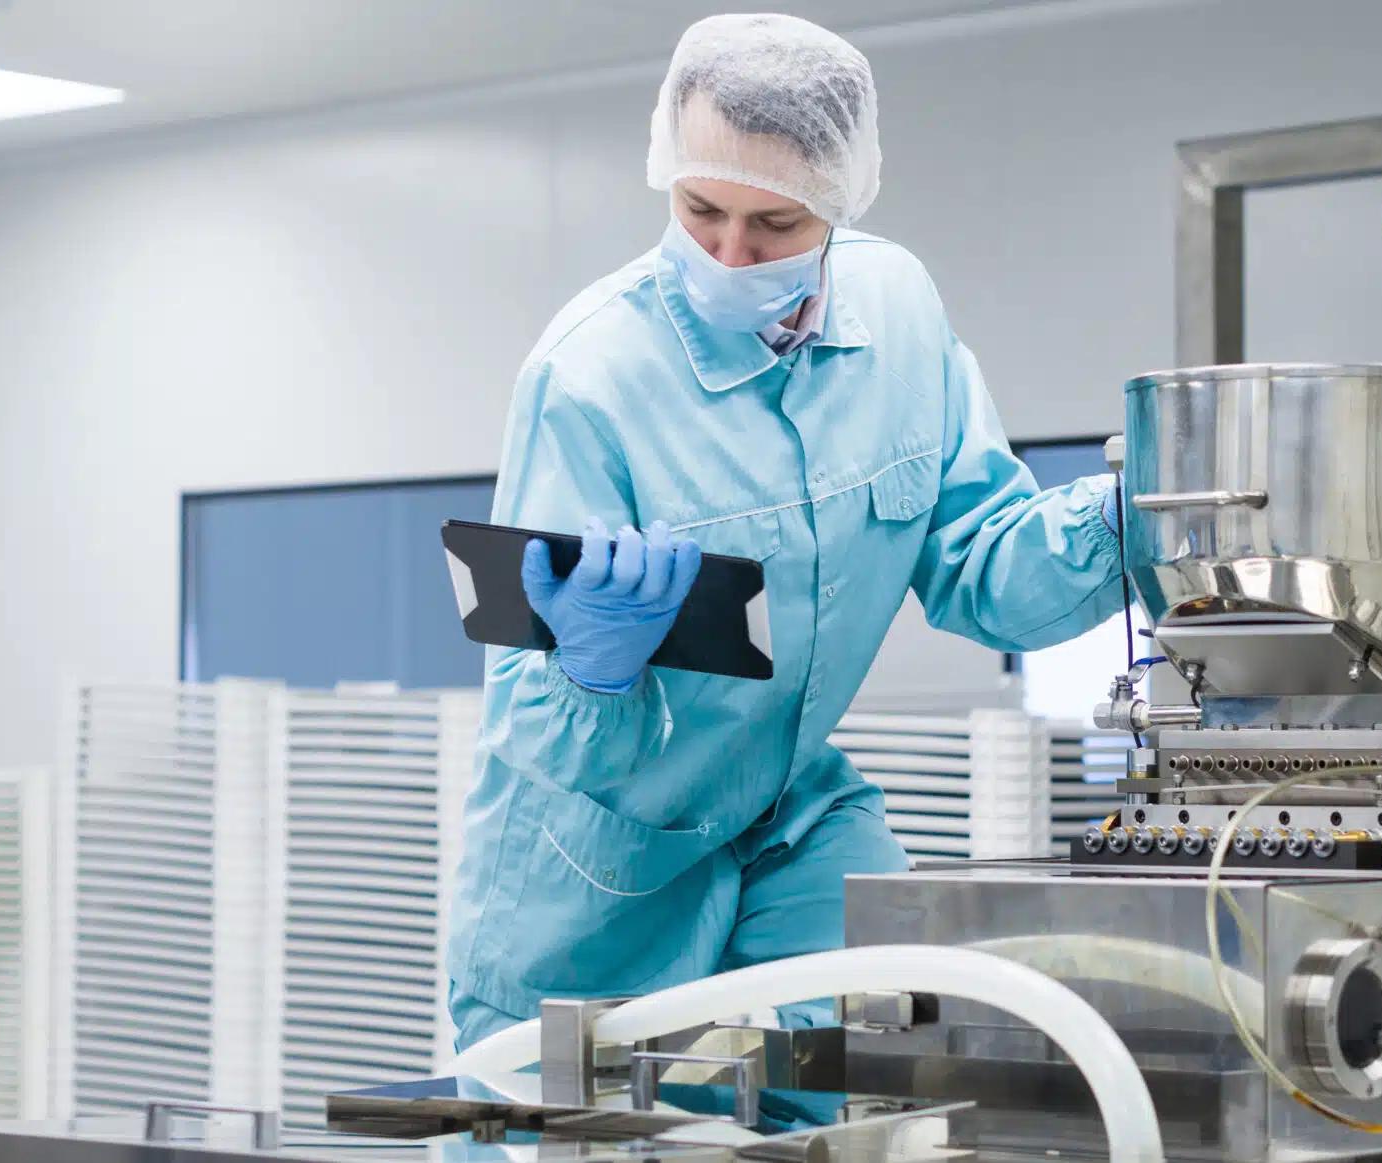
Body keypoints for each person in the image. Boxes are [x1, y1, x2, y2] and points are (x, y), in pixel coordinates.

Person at [445, 12, 1124, 1047]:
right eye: (700, 208)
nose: (728, 252)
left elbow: (984, 568)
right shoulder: (586, 378)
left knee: (871, 1062)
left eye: (776, 225)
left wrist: (1141, 516)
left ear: (840, 207)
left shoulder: (899, 313)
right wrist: (589, 670)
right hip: (599, 854)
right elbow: (533, 717)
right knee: (582, 1111)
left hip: (790, 811)